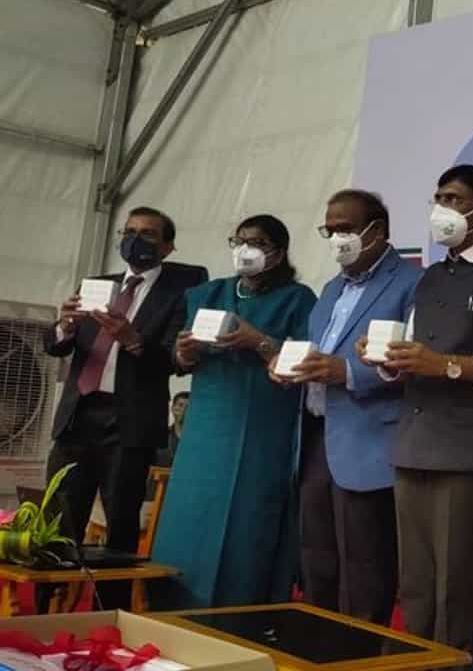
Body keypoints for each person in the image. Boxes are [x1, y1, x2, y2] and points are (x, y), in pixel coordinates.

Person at [358, 164, 473, 665]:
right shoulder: (432, 275)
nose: (441, 209)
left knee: (454, 587)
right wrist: (387, 359)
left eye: (454, 199)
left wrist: (449, 366)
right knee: (415, 585)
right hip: (414, 440)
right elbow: (418, 355)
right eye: (438, 198)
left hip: (468, 448)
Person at [44, 206, 207, 608]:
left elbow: (175, 361)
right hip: (78, 415)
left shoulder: (180, 293)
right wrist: (65, 325)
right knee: (57, 522)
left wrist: (133, 338)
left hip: (129, 421)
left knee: (119, 528)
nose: (135, 240)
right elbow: (56, 347)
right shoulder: (97, 285)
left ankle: (109, 617)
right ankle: (45, 611)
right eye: (129, 231)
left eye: (147, 234)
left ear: (167, 247)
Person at [152, 214, 316, 609]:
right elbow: (179, 358)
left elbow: (303, 364)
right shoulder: (206, 293)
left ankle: (241, 615)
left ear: (278, 253)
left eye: (258, 243)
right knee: (189, 520)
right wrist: (184, 353)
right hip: (205, 428)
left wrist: (258, 341)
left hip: (262, 430)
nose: (246, 250)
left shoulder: (298, 299)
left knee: (246, 524)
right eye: (240, 241)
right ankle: (170, 611)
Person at [279, 189, 419, 624]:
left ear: (378, 231)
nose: (338, 239)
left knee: (365, 566)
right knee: (317, 558)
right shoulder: (331, 288)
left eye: (346, 229)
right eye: (331, 230)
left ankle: (361, 649)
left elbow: (413, 361)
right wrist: (290, 367)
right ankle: (319, 644)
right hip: (317, 432)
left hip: (370, 436)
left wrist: (348, 372)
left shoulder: (412, 282)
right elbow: (318, 350)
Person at [154, 391, 189, 468]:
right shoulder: (161, 436)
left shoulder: (198, 438)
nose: (184, 410)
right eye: (180, 405)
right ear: (173, 408)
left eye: (188, 407)